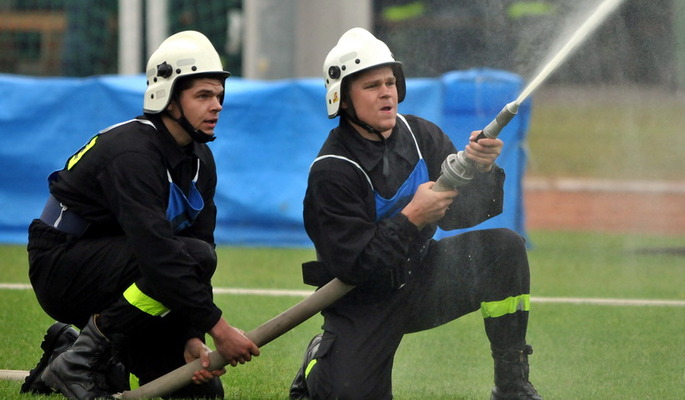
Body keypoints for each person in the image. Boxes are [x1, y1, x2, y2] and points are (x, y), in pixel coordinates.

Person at [288, 27, 542, 400]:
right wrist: (412, 218)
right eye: (372, 85)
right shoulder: (333, 170)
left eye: (390, 82)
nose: (387, 92)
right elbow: (351, 265)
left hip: (423, 278)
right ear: (342, 100)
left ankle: (511, 384)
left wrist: (483, 171)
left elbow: (462, 214)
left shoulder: (422, 135)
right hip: (363, 299)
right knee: (348, 392)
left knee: (504, 249)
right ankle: (319, 360)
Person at [23, 30, 260, 400]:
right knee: (184, 256)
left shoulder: (200, 159)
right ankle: (82, 360)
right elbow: (159, 255)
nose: (217, 106)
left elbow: (199, 257)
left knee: (199, 393)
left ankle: (73, 350)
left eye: (218, 95)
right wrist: (219, 328)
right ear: (166, 96)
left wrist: (192, 335)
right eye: (203, 95)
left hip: (127, 271)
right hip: (61, 267)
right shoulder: (132, 153)